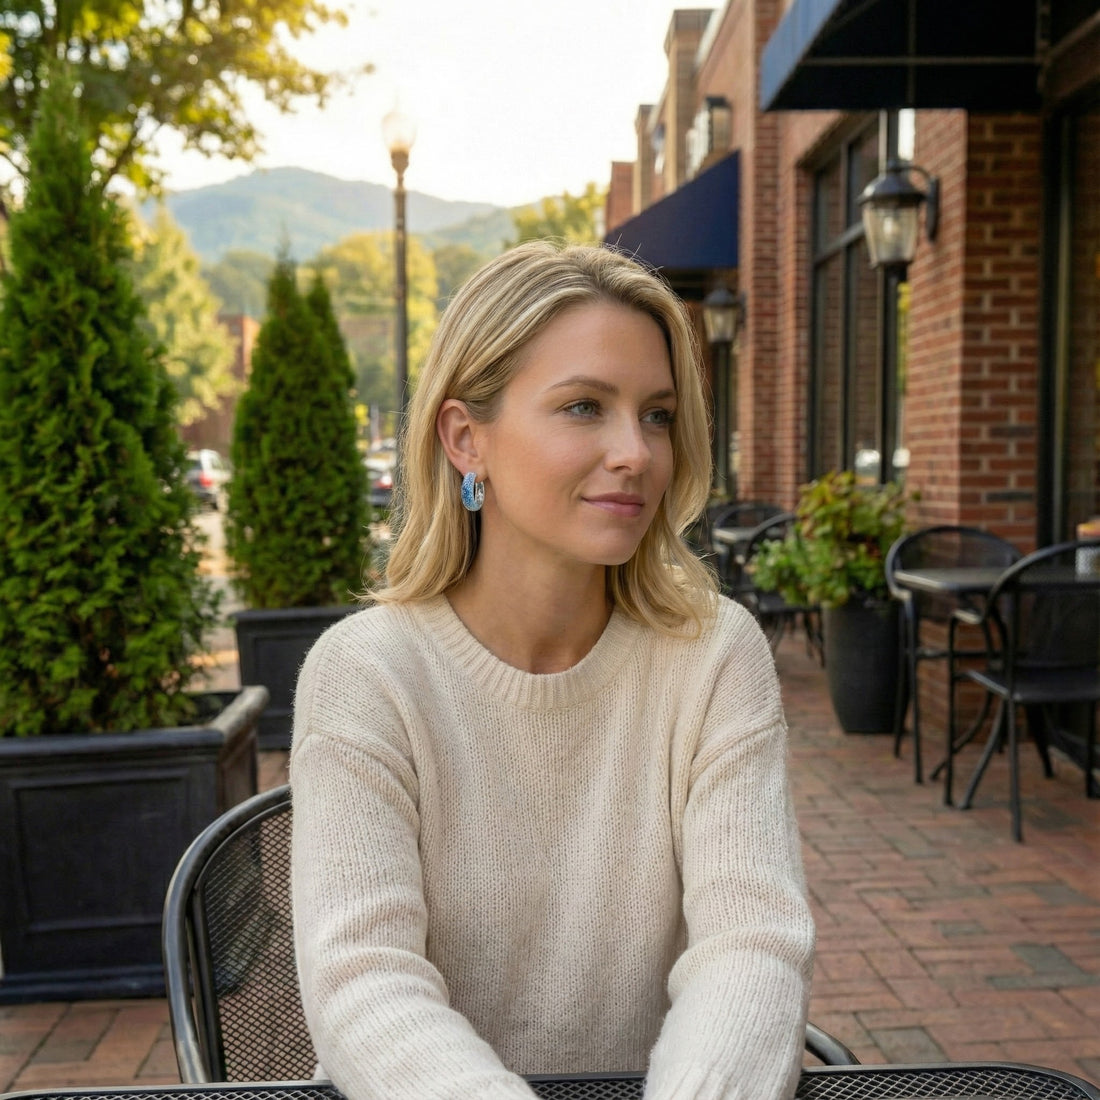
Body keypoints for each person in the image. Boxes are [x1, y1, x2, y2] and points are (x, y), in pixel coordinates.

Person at [290, 241, 815, 1100]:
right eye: (583, 408)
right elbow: (363, 982)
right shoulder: (367, 674)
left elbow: (751, 945)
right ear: (466, 438)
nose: (636, 453)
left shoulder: (713, 654)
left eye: (655, 414)